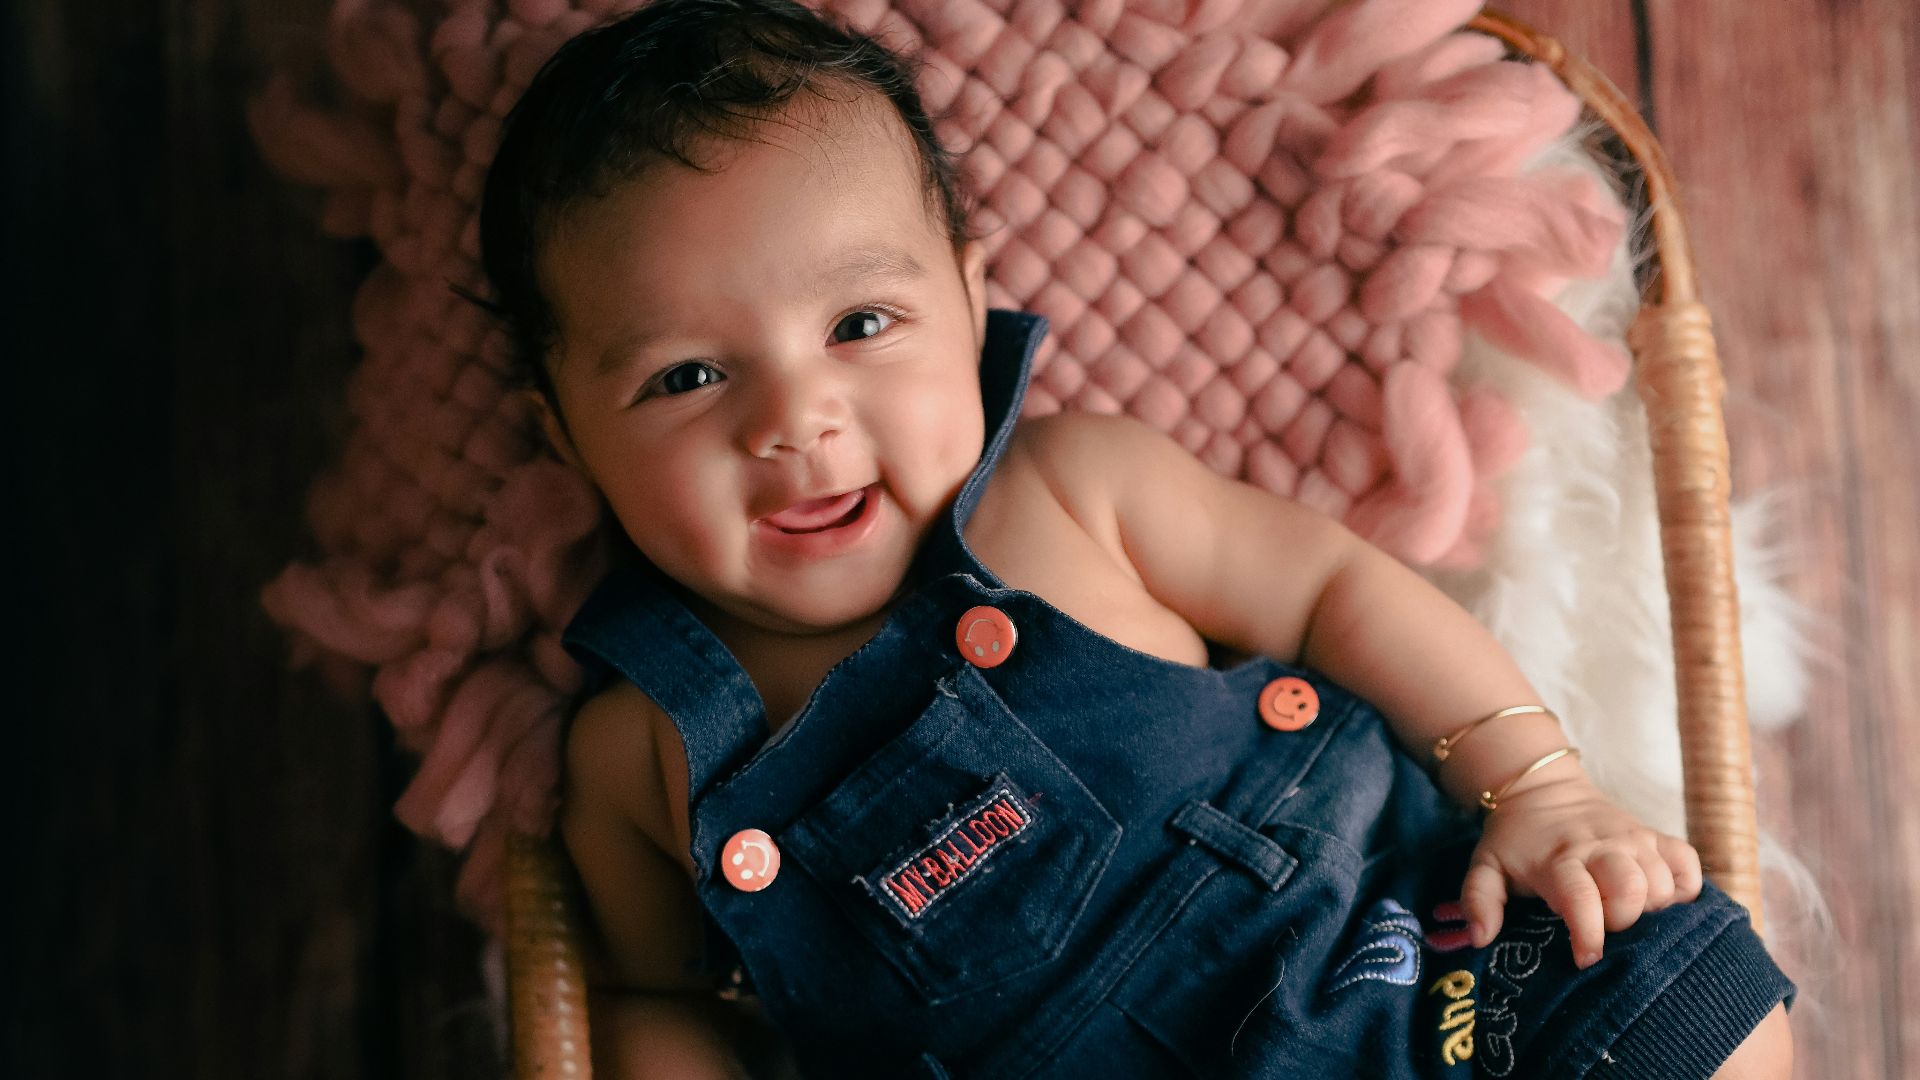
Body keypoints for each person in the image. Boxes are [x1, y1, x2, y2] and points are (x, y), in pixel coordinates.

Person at [472, 1, 1794, 1076]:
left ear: (969, 300)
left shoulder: (1072, 490)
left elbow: (1336, 591)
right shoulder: (640, 755)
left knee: (1686, 1007)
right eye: (688, 377)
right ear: (564, 429)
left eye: (860, 325)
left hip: (1399, 975)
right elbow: (657, 998)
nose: (794, 421)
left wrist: (1537, 787)